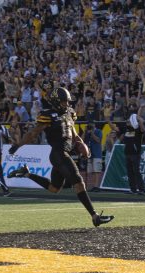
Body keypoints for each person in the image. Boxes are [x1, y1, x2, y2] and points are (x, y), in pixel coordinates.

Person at [8, 87, 114, 227]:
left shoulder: (70, 113)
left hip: (64, 153)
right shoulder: (48, 115)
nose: (67, 104)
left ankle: (27, 174)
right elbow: (33, 134)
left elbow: (74, 135)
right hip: (59, 153)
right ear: (56, 102)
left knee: (54, 188)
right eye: (64, 102)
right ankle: (94, 216)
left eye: (67, 102)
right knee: (79, 182)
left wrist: (82, 145)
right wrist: (18, 145)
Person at [110, 114, 145, 194]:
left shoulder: (137, 129)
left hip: (135, 153)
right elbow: (115, 128)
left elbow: (143, 130)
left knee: (136, 171)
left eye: (129, 121)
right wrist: (108, 120)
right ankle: (133, 189)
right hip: (127, 153)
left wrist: (140, 121)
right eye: (127, 121)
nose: (127, 122)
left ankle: (142, 189)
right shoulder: (125, 129)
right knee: (130, 172)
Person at [84, 123, 102, 192]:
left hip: (97, 154)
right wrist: (85, 132)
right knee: (91, 171)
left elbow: (98, 140)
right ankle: (93, 186)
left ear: (94, 125)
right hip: (90, 154)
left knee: (97, 171)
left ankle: (96, 186)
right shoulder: (87, 132)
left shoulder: (98, 131)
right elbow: (82, 140)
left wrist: (92, 133)